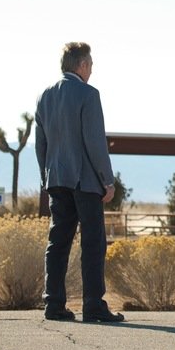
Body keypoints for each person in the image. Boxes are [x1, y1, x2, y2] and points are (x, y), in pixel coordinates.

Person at [35, 42, 123, 323]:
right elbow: (95, 141)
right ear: (82, 65)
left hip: (56, 180)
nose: (92, 70)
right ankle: (93, 305)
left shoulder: (45, 96)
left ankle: (53, 304)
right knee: (93, 243)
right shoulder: (88, 94)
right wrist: (107, 180)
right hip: (85, 181)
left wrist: (46, 178)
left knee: (58, 242)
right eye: (91, 65)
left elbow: (41, 144)